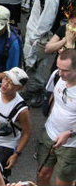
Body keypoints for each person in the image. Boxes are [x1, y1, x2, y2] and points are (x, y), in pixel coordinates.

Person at [21, 0, 68, 107]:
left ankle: (36, 92)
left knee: (34, 65)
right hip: (36, 35)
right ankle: (32, 89)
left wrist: (33, 39)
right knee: (32, 64)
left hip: (39, 38)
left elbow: (46, 22)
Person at [36, 48, 76, 186]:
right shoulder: (56, 76)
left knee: (62, 183)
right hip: (49, 134)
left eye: (65, 70)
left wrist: (70, 133)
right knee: (42, 175)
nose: (60, 73)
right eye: (59, 68)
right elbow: (52, 98)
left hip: (71, 145)